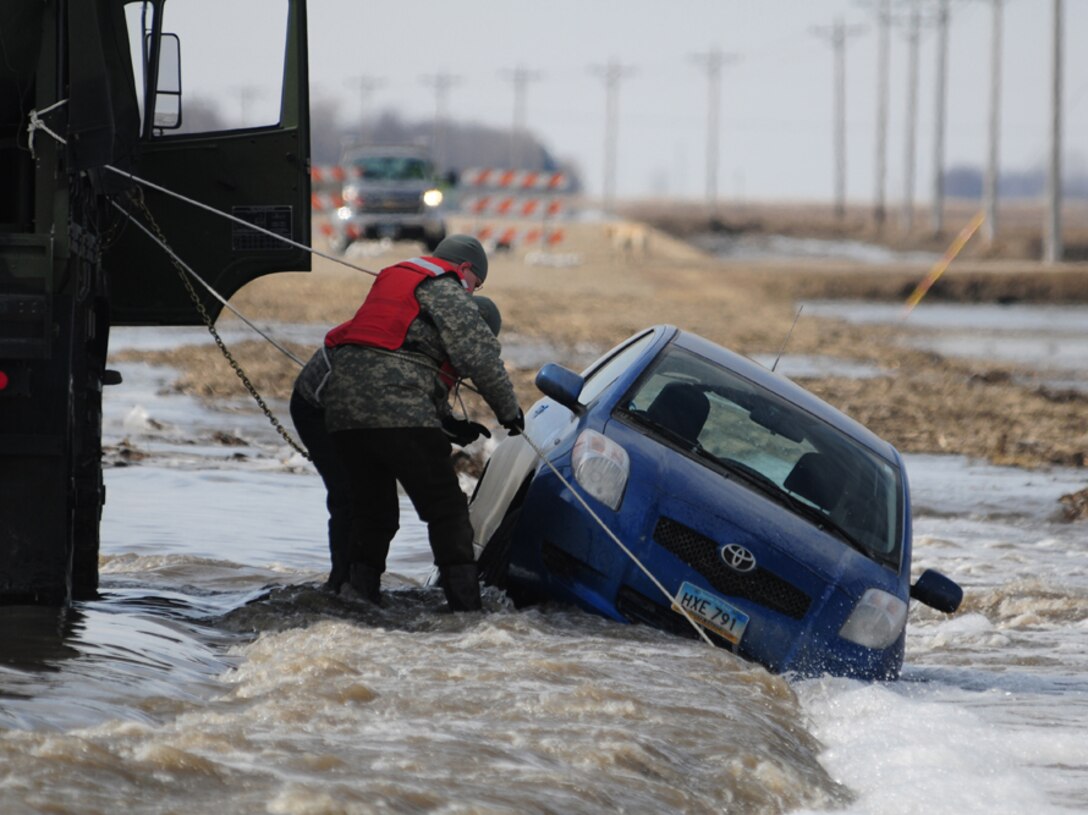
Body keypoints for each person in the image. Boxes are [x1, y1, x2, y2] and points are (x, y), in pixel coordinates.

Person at [321, 235, 523, 611]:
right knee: (446, 510)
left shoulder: (399, 279)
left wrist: (447, 424)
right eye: (476, 285)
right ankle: (466, 615)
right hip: (396, 411)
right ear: (465, 271)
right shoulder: (445, 287)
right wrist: (509, 412)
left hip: (342, 412)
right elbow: (479, 355)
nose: (472, 292)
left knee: (374, 512)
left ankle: (357, 601)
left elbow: (398, 356)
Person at [289, 294, 503, 595]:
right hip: (317, 407)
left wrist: (449, 423)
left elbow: (416, 390)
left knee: (376, 506)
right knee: (352, 496)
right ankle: (342, 584)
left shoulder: (431, 338)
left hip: (363, 412)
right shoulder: (405, 335)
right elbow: (392, 392)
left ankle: (357, 591)